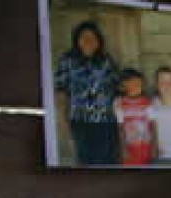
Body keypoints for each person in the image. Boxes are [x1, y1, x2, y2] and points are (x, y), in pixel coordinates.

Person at [54, 21, 119, 165]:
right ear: (77, 41)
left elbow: (117, 90)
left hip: (106, 122)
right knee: (85, 163)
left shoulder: (106, 61)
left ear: (98, 42)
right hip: (79, 121)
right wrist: (63, 121)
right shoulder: (68, 60)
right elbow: (60, 92)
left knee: (107, 162)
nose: (89, 41)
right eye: (84, 37)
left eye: (92, 37)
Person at [113, 68, 154, 166]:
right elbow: (120, 126)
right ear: (123, 86)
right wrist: (123, 148)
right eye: (133, 84)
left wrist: (154, 145)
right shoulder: (119, 102)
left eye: (139, 84)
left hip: (146, 145)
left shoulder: (147, 102)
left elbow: (152, 124)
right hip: (129, 146)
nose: (137, 86)